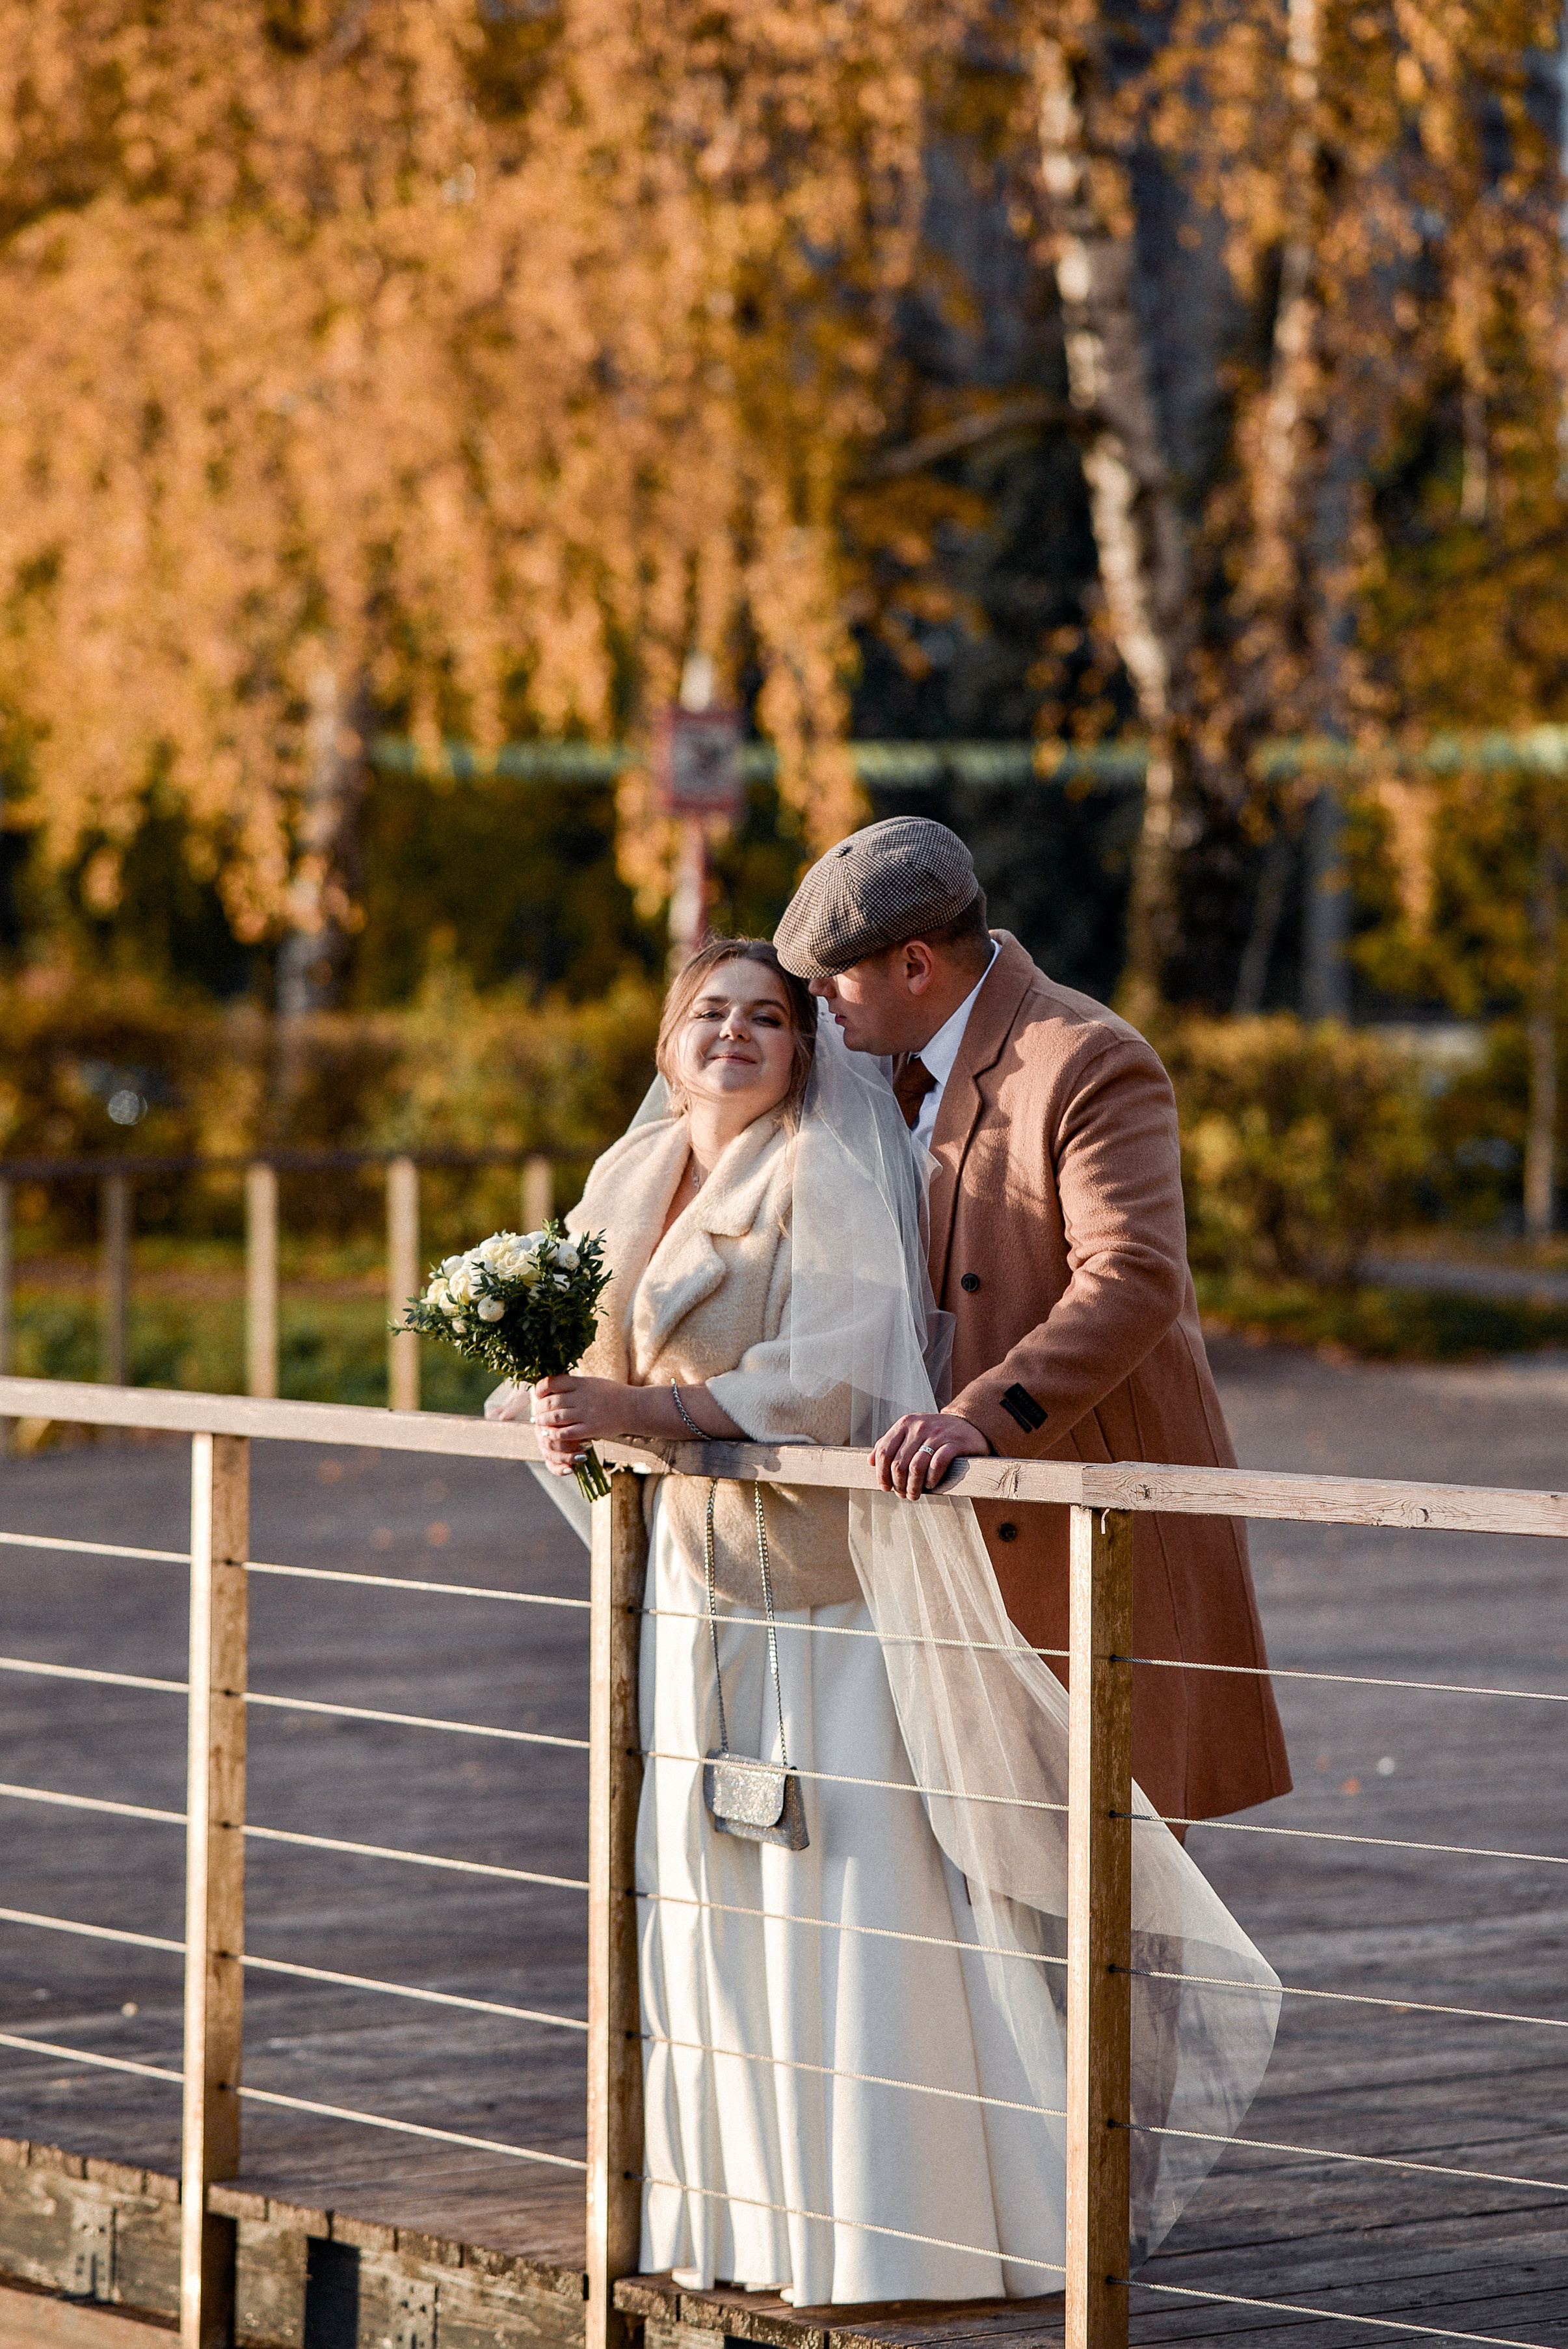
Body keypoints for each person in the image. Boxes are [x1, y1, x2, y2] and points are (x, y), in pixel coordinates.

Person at [490, 935, 1279, 2305]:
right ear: (667, 1043)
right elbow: (598, 1358)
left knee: (842, 1884)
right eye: (708, 1015)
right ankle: (734, 2215)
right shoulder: (631, 1175)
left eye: (766, 1018)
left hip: (817, 1592)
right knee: (705, 1890)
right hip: (685, 1584)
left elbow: (836, 1376)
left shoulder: (827, 1165)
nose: (734, 1035)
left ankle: (901, 2225)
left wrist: (644, 1414)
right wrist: (545, 1402)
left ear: (804, 1050)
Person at [773, 817, 1291, 1831]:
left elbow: (1135, 1277)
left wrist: (984, 1418)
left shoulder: (1088, 1058)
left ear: (915, 963)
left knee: (1115, 1890)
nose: (818, 1004)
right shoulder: (864, 1068)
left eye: (833, 979)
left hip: (1077, 1523)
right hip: (932, 1544)